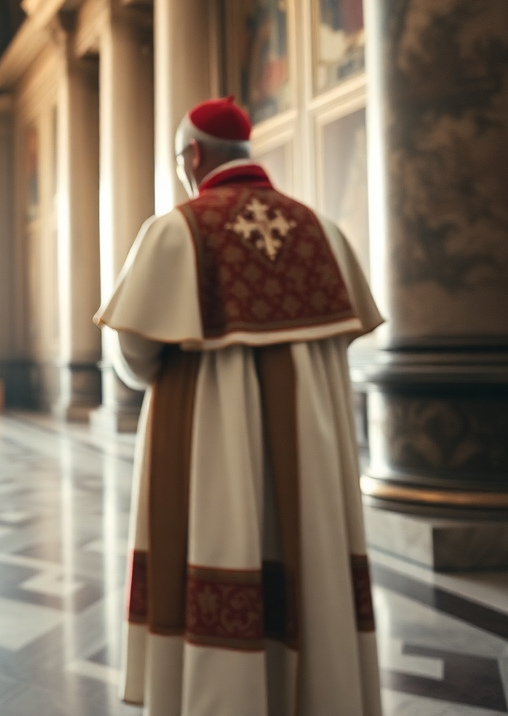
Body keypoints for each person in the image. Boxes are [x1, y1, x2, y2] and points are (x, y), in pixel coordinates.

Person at [95, 97, 383, 715]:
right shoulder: (321, 231)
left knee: (214, 550)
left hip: (204, 444)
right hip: (311, 449)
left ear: (193, 156)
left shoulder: (176, 230)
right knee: (308, 562)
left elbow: (135, 355)